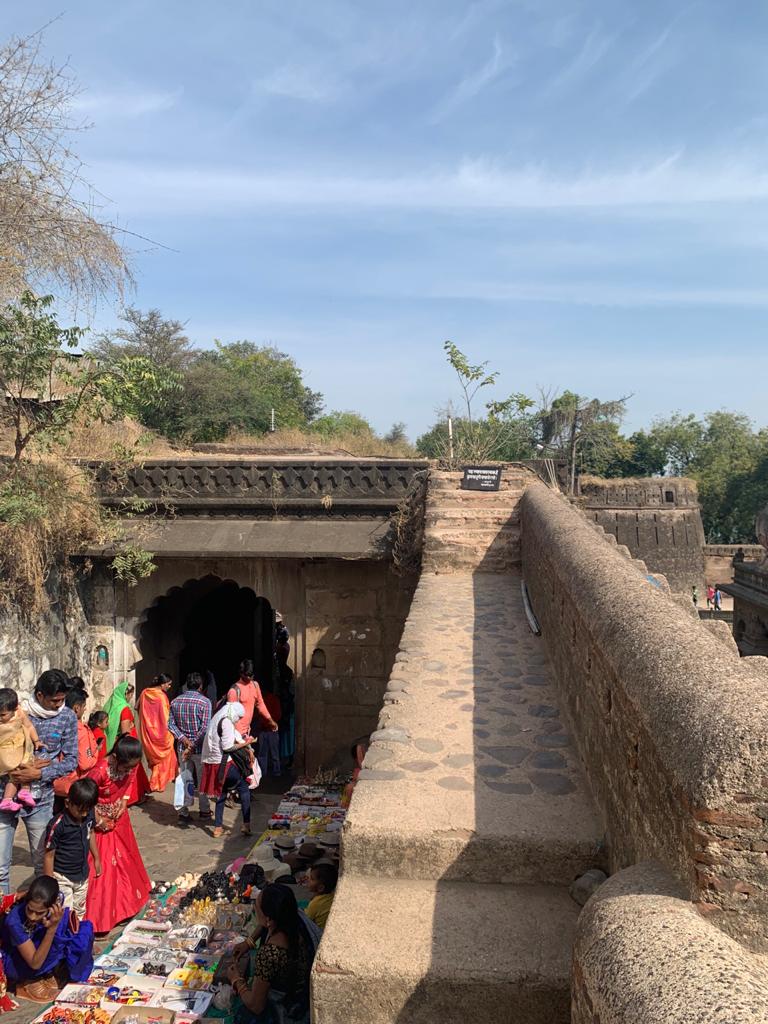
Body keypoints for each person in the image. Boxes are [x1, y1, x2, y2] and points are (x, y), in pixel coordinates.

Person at [0, 671, 77, 895]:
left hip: (40, 801)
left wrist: (39, 774)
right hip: (3, 798)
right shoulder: (14, 711)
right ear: (40, 695)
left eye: (62, 700)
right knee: (1, 870)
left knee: (42, 864)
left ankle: (35, 917)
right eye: (54, 700)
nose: (59, 705)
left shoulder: (67, 717)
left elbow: (72, 760)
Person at [226, 883, 320, 1024]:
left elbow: (256, 1006)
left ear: (269, 919)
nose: (254, 909)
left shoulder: (270, 953)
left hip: (286, 1012)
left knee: (243, 1015)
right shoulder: (294, 921)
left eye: (256, 907)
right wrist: (249, 942)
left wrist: (236, 980)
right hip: (300, 996)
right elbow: (264, 924)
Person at [85, 734, 151, 933]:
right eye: (126, 767)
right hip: (100, 824)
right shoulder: (99, 771)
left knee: (125, 862)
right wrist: (98, 820)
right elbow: (85, 797)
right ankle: (103, 917)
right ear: (116, 758)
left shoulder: (132, 766)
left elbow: (129, 783)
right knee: (104, 867)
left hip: (120, 819)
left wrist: (124, 801)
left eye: (133, 766)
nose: (130, 770)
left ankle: (127, 907)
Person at [0, 875, 94, 1004]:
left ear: (52, 906)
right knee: (45, 953)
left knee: (83, 934)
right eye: (30, 910)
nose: (32, 917)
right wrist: (51, 929)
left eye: (39, 913)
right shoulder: (14, 920)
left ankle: (52, 971)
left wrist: (56, 925)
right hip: (19, 960)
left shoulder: (56, 904)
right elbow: (34, 962)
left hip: (41, 947)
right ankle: (27, 981)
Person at [43, 777, 101, 917]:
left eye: (88, 810)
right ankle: (64, 937)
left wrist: (96, 858)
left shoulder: (89, 814)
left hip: (82, 876)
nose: (84, 814)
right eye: (80, 810)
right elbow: (49, 855)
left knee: (79, 912)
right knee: (64, 914)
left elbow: (91, 832)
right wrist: (50, 884)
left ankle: (76, 937)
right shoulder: (57, 825)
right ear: (68, 803)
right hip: (62, 877)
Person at [200, 702, 255, 839]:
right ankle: (246, 824)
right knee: (244, 788)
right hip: (224, 766)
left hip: (212, 765)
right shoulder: (226, 722)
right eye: (238, 716)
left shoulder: (216, 718)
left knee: (221, 793)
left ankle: (218, 828)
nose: (238, 719)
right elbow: (228, 747)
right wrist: (247, 744)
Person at [169, 672, 212, 825]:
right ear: (200, 686)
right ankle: (204, 810)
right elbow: (204, 728)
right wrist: (192, 744)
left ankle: (183, 812)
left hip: (182, 748)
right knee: (202, 781)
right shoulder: (205, 702)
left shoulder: (175, 702)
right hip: (199, 749)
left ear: (187, 685)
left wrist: (184, 740)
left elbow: (171, 725)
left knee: (185, 779)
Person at [103, 682, 150, 805]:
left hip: (113, 741)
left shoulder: (110, 705)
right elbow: (125, 731)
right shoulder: (124, 708)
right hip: (125, 743)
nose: (130, 697)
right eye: (130, 694)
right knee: (130, 769)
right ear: (126, 694)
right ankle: (132, 797)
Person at [52, 689, 99, 807]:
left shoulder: (55, 724)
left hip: (53, 781)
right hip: (72, 785)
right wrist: (95, 754)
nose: (85, 709)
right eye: (84, 706)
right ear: (76, 708)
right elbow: (85, 763)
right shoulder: (80, 731)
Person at [0, 688, 41, 813]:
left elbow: (29, 726)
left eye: (3, 715)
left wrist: (36, 740)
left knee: (26, 766)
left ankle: (24, 791)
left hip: (20, 747)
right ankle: (8, 799)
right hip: (6, 751)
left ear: (15, 709)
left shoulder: (20, 714)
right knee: (15, 773)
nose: (0, 718)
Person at [138, 674, 177, 793]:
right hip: (161, 732)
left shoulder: (145, 692)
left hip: (149, 731)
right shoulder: (162, 697)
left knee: (156, 758)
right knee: (164, 757)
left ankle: (155, 782)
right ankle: (158, 784)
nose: (170, 686)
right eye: (168, 684)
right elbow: (166, 717)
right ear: (162, 684)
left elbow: (136, 706)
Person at [227, 661, 278, 740]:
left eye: (252, 675)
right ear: (241, 674)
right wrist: (239, 736)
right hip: (236, 734)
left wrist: (270, 720)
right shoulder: (234, 691)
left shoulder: (255, 685)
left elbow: (260, 705)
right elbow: (231, 716)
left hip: (247, 732)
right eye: (248, 675)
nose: (251, 678)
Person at [257, 684, 282, 781]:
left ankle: (276, 771)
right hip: (263, 730)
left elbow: (277, 714)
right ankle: (263, 772)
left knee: (274, 752)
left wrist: (268, 723)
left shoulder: (273, 699)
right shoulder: (261, 700)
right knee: (263, 753)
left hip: (271, 730)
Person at [305, 862, 338, 930]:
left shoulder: (315, 904)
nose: (308, 880)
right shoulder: (332, 897)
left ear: (320, 888)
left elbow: (306, 921)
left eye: (312, 879)